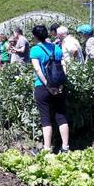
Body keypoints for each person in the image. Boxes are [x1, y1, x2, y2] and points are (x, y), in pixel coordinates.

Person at [30, 25, 69, 153]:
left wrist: (48, 85)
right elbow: (63, 66)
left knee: (46, 119)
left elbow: (37, 69)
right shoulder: (56, 48)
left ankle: (47, 150)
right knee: (61, 117)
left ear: (35, 36)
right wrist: (60, 84)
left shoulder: (35, 50)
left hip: (42, 87)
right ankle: (65, 147)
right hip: (59, 87)